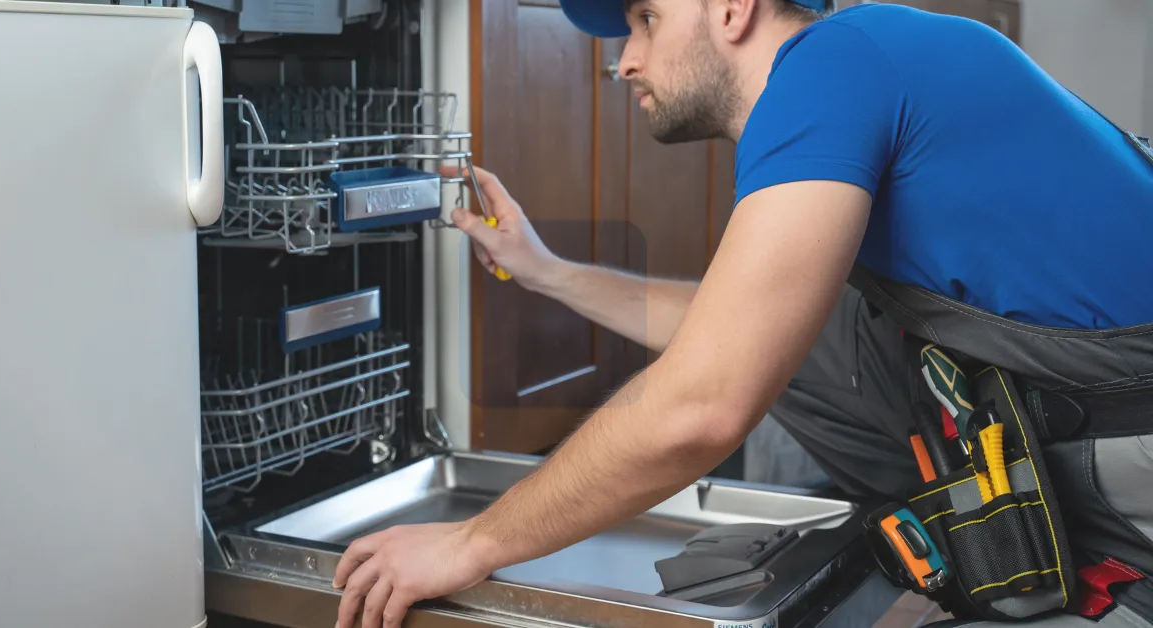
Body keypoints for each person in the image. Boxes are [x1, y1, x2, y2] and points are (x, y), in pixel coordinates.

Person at [332, 0, 1153, 626]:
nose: (626, 59)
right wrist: (545, 272)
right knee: (818, 333)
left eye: (647, 19)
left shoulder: (832, 67)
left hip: (1131, 461)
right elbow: (735, 328)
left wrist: (471, 542)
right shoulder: (872, 55)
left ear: (731, 6)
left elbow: (702, 404)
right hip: (1081, 411)